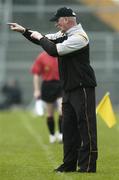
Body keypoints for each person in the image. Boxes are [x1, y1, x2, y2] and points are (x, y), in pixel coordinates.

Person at [8, 6, 98, 173]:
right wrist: (24, 31)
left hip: (82, 88)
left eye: (58, 21)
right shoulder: (64, 34)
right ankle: (69, 164)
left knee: (86, 127)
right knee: (68, 128)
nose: (56, 24)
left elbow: (53, 50)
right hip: (69, 88)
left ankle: (88, 166)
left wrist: (40, 38)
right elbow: (43, 38)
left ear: (66, 19)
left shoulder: (79, 37)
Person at [31, 51, 63, 143]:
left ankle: (61, 134)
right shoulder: (42, 57)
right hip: (48, 85)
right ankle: (52, 135)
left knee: (62, 109)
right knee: (50, 113)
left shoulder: (61, 53)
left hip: (60, 84)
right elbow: (36, 74)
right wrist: (36, 90)